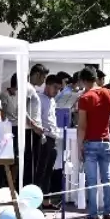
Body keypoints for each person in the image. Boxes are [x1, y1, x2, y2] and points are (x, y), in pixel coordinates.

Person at [75, 67, 110, 219]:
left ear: (84, 80)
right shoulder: (108, 93)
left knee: (91, 181)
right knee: (107, 178)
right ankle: (107, 212)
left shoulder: (85, 97)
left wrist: (80, 145)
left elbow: (82, 125)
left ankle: (93, 214)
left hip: (91, 142)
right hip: (106, 141)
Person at [35, 73, 63, 202]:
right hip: (44, 137)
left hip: (53, 137)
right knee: (41, 170)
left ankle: (46, 200)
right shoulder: (39, 98)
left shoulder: (52, 101)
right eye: (55, 87)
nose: (57, 91)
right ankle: (37, 201)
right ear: (47, 85)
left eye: (59, 89)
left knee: (49, 171)